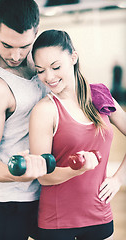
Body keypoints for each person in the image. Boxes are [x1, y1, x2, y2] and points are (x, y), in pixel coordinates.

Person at [29, 29, 126, 240]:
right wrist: (78, 169)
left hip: (100, 216)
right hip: (57, 222)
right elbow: (43, 177)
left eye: (55, 67)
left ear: (73, 57)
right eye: (40, 70)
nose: (49, 77)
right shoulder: (45, 110)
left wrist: (119, 178)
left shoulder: (100, 94)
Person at [0, 0, 49, 239]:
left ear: (36, 30)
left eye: (24, 45)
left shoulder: (37, 59)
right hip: (11, 201)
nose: (16, 55)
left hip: (47, 191)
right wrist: (20, 174)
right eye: (6, 45)